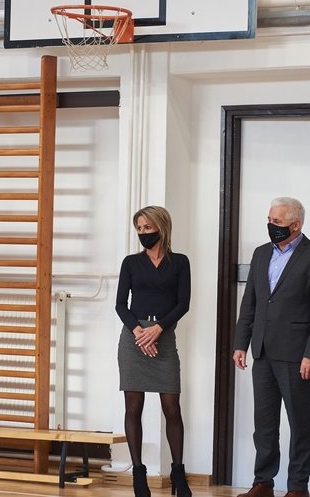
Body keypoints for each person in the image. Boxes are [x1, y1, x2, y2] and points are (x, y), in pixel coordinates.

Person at [233, 197, 310, 497]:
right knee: (264, 423)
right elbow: (250, 303)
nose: (270, 225)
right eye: (269, 220)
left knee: (299, 423)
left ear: (296, 224)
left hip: (296, 354)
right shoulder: (261, 253)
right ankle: (263, 482)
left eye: (277, 221)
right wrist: (241, 343)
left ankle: (298, 487)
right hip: (262, 350)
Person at [115, 205, 192, 497]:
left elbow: (183, 303)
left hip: (163, 336)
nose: (143, 232)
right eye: (139, 228)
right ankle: (138, 475)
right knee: (133, 407)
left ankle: (178, 475)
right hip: (134, 339)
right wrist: (139, 332)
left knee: (172, 407)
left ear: (162, 227)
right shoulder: (131, 263)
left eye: (148, 227)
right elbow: (120, 304)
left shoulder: (180, 262)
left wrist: (158, 329)